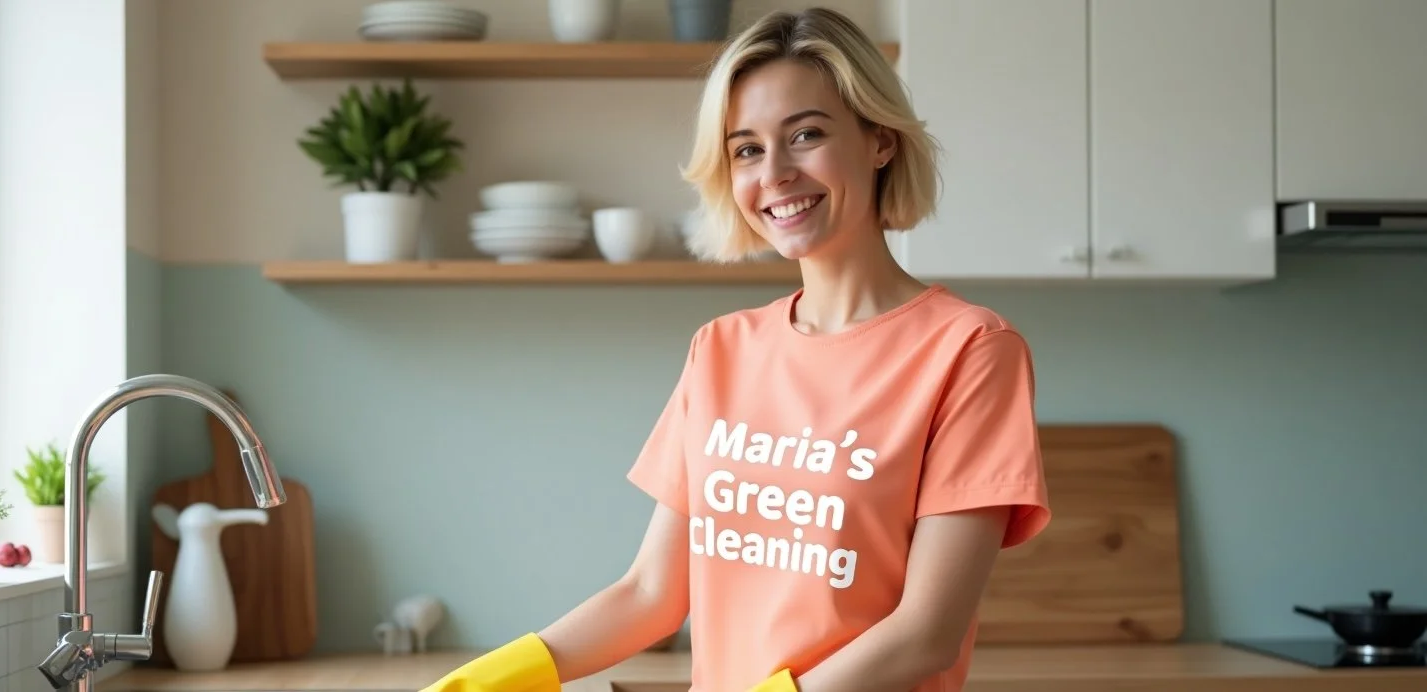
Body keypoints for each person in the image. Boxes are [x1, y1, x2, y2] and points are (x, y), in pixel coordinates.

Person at [419, 7, 1050, 692]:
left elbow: (926, 632)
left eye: (805, 135)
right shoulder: (721, 349)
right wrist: (486, 681)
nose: (774, 173)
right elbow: (652, 595)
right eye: (746, 148)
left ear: (880, 141)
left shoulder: (970, 350)